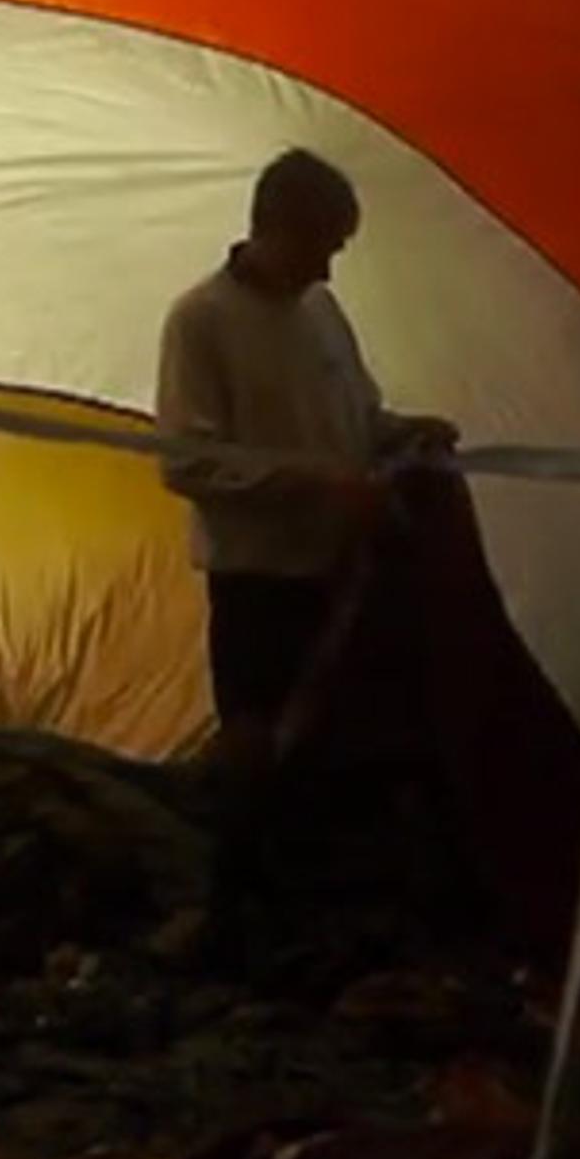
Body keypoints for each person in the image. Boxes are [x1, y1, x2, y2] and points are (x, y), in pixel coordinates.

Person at [153, 148, 455, 783]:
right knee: (258, 757)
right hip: (258, 590)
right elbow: (187, 465)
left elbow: (358, 420)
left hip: (338, 577)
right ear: (278, 228)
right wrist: (319, 484)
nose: (328, 269)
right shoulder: (200, 321)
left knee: (331, 759)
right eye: (323, 247)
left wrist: (406, 433)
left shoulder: (321, 312)